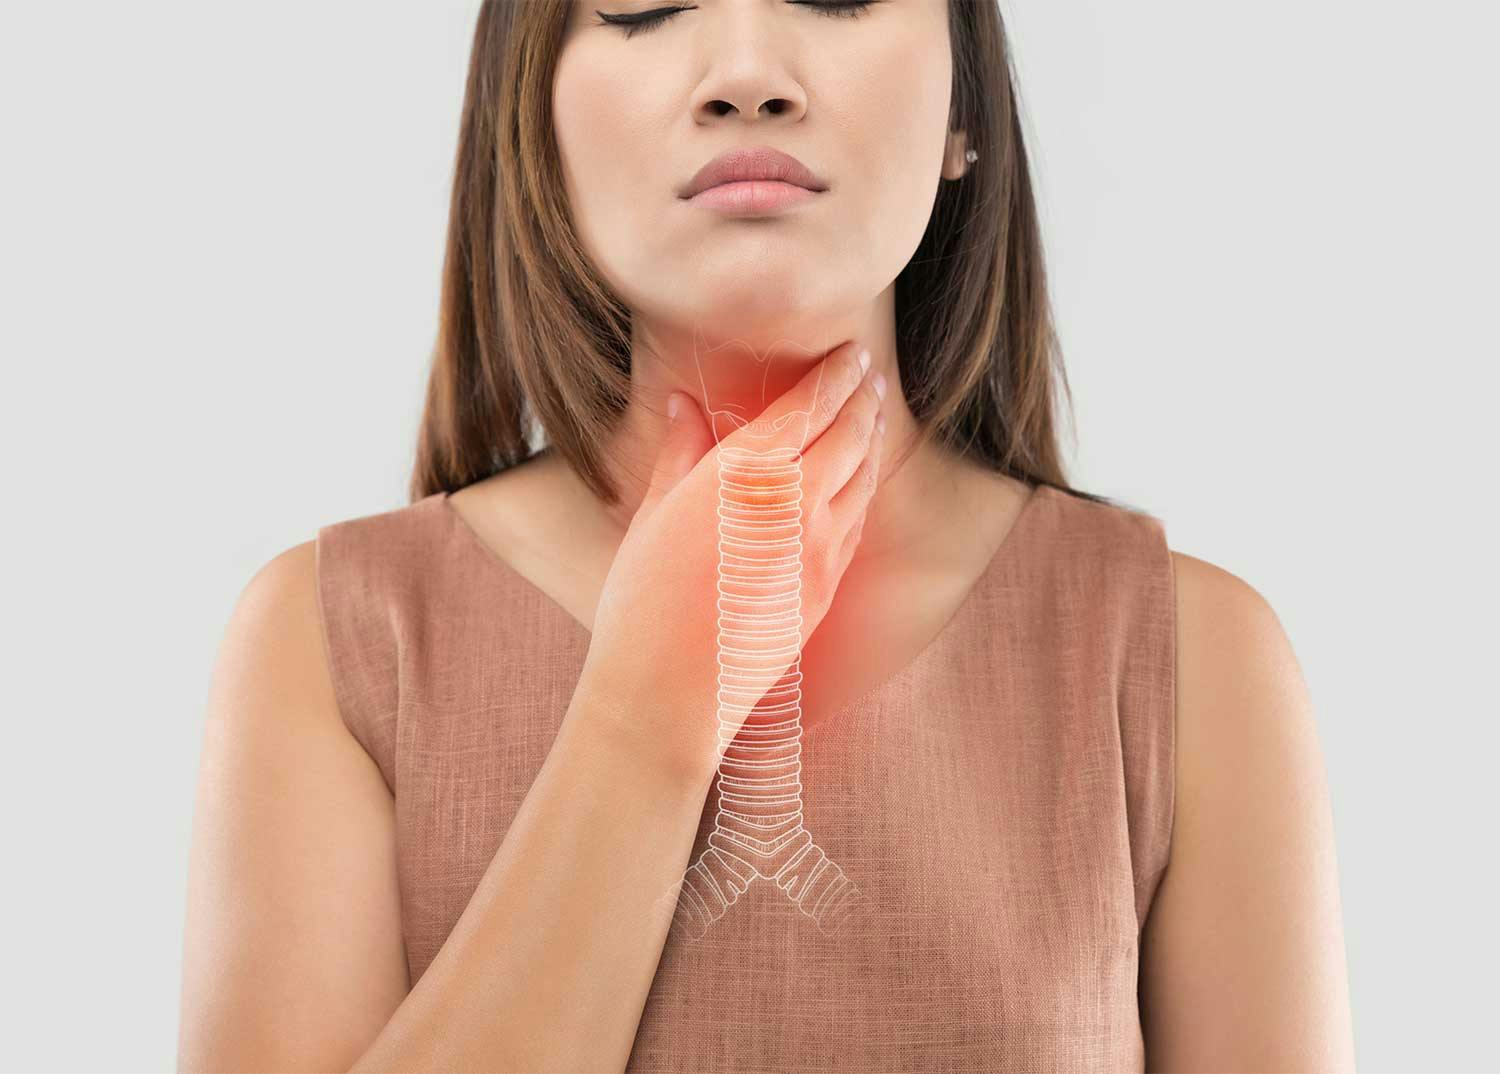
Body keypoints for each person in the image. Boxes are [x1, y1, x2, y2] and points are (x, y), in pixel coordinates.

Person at [178, 2, 1357, 1071]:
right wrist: (645, 719)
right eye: (646, 3)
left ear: (966, 116)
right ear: (532, 125)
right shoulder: (335, 642)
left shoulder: (1189, 659)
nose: (745, 74)